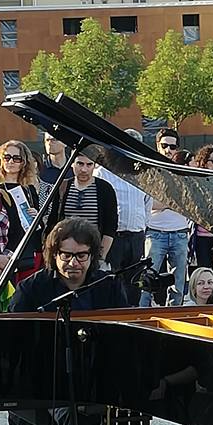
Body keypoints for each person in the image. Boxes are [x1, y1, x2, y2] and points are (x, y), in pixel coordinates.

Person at [9, 218, 127, 425]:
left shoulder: (108, 286)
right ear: (54, 254)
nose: (73, 263)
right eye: (66, 255)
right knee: (70, 411)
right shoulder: (34, 288)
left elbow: (127, 336)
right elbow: (10, 337)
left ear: (92, 255)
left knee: (130, 408)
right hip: (48, 383)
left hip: (100, 379)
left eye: (81, 256)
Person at [95, 129, 148, 305]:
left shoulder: (142, 174)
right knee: (113, 281)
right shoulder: (103, 172)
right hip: (114, 237)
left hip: (136, 236)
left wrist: (143, 227)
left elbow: (147, 202)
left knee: (135, 282)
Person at [140, 129, 191, 307]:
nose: (168, 150)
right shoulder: (150, 171)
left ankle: (174, 315)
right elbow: (148, 203)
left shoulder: (183, 171)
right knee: (147, 279)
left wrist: (167, 202)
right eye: (164, 145)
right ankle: (142, 315)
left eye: (172, 146)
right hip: (155, 232)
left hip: (180, 233)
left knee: (178, 283)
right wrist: (175, 202)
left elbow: (191, 202)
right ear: (157, 146)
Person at [45, 153, 117, 266]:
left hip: (92, 249)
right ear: (72, 164)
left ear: (94, 166)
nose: (84, 169)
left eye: (89, 165)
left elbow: (110, 226)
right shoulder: (62, 187)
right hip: (66, 251)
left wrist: (101, 256)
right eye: (80, 164)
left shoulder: (105, 189)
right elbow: (53, 222)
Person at [0, 140, 42, 282]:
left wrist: (37, 216)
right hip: (2, 249)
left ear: (23, 162)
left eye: (16, 158)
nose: (11, 161)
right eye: (6, 157)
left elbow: (39, 227)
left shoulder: (29, 190)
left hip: (27, 250)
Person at [38, 132, 73, 204]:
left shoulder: (75, 168)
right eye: (47, 140)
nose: (50, 143)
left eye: (54, 139)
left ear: (65, 143)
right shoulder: (40, 170)